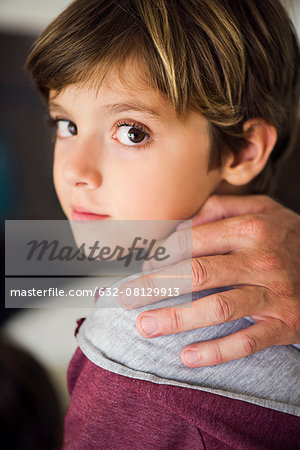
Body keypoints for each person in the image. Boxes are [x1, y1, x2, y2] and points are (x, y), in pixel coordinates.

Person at [25, 0, 300, 448]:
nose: (76, 170)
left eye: (132, 132)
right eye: (66, 124)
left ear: (243, 151)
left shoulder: (131, 350)